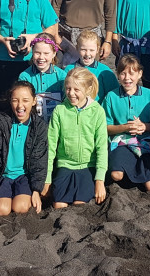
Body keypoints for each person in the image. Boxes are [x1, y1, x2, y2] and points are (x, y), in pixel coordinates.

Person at [43, 67, 108, 208]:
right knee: (59, 205)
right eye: (68, 88)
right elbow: (51, 146)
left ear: (88, 89)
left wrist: (100, 180)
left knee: (80, 204)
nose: (71, 93)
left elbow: (102, 147)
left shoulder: (97, 111)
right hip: (65, 165)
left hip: (88, 165)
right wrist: (47, 179)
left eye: (76, 90)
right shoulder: (59, 110)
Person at [0, 81, 48, 215]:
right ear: (10, 101)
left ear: (34, 101)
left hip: (24, 176)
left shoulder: (39, 126)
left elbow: (39, 160)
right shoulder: (0, 123)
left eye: (25, 100)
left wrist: (36, 191)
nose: (20, 106)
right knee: (1, 210)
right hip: (3, 175)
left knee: (21, 207)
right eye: (15, 100)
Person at [102, 54, 150, 191]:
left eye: (132, 73)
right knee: (116, 175)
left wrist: (145, 126)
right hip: (121, 142)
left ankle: (139, 172)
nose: (127, 78)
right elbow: (105, 127)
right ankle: (129, 173)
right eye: (123, 74)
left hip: (147, 142)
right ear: (118, 75)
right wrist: (123, 127)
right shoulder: (111, 96)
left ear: (140, 74)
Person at [18, 32, 67, 121]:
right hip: (33, 123)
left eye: (46, 53)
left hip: (56, 122)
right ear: (32, 52)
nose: (41, 57)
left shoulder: (61, 76)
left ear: (54, 54)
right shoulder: (25, 76)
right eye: (37, 53)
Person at [63, 29, 119, 102]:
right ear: (77, 48)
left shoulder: (105, 72)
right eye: (83, 50)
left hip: (97, 110)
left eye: (91, 50)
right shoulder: (69, 70)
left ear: (97, 50)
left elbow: (113, 96)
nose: (87, 54)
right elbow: (64, 94)